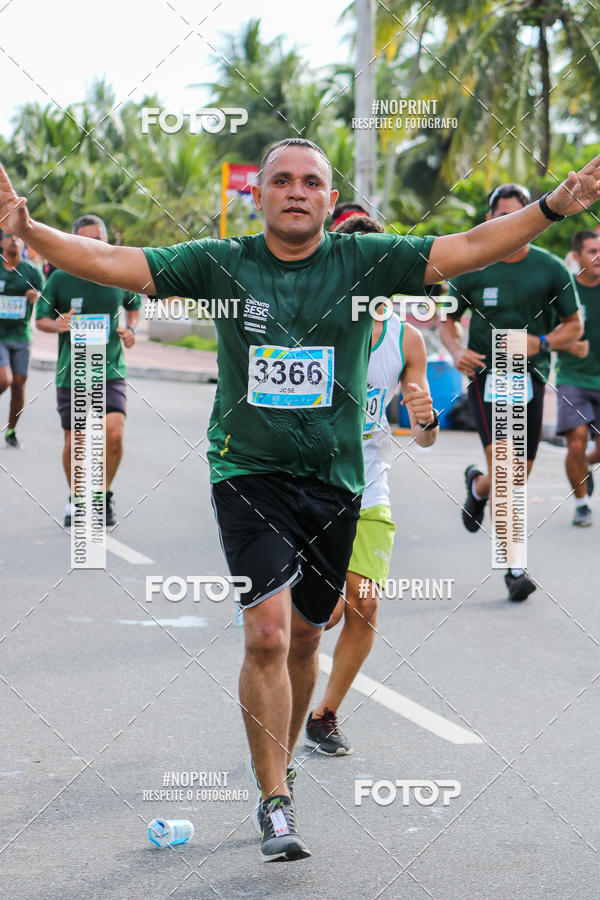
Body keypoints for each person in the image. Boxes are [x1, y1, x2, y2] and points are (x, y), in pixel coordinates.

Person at [1, 142, 599, 862]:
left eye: (310, 182)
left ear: (325, 197)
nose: (295, 191)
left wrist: (553, 208)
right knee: (268, 635)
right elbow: (114, 262)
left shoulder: (364, 261)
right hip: (247, 471)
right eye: (280, 180)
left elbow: (471, 245)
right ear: (261, 195)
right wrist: (29, 232)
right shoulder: (223, 262)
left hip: (337, 479)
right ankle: (275, 798)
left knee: (311, 634)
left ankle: (294, 741)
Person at [305, 214, 439, 756]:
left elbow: (424, 438)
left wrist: (424, 418)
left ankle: (325, 714)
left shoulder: (408, 338)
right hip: (309, 483)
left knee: (363, 604)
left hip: (369, 480)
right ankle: (279, 688)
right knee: (322, 612)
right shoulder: (309, 323)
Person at [439, 183, 583, 602]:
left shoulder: (550, 268)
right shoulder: (472, 266)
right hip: (487, 379)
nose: (509, 225)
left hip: (532, 378)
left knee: (515, 476)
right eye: (500, 216)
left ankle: (477, 486)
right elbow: (448, 322)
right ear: (489, 220)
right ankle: (515, 567)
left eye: (518, 216)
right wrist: (456, 351)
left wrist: (539, 344)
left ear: (533, 218)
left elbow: (573, 326)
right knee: (507, 473)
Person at [35, 214, 141, 527]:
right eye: (86, 238)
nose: (93, 244)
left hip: (110, 369)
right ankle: (77, 498)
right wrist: (57, 324)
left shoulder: (120, 273)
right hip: (74, 370)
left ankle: (102, 496)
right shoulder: (59, 278)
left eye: (98, 238)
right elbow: (40, 318)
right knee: (75, 443)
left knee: (114, 435)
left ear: (107, 240)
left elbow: (134, 305)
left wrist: (131, 329)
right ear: (74, 242)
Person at [555, 230, 600, 526]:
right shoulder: (564, 292)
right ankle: (582, 504)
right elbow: (543, 335)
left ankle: (582, 465)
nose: (598, 257)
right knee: (576, 442)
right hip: (572, 376)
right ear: (577, 257)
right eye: (592, 251)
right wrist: (567, 343)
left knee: (587, 452)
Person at [0, 229, 43, 447]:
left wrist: (36, 298)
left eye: (18, 237)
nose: (14, 240)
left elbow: (45, 300)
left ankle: (12, 430)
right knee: (3, 379)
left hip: (21, 335)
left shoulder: (32, 272)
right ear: (1, 241)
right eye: (9, 236)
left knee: (18, 384)